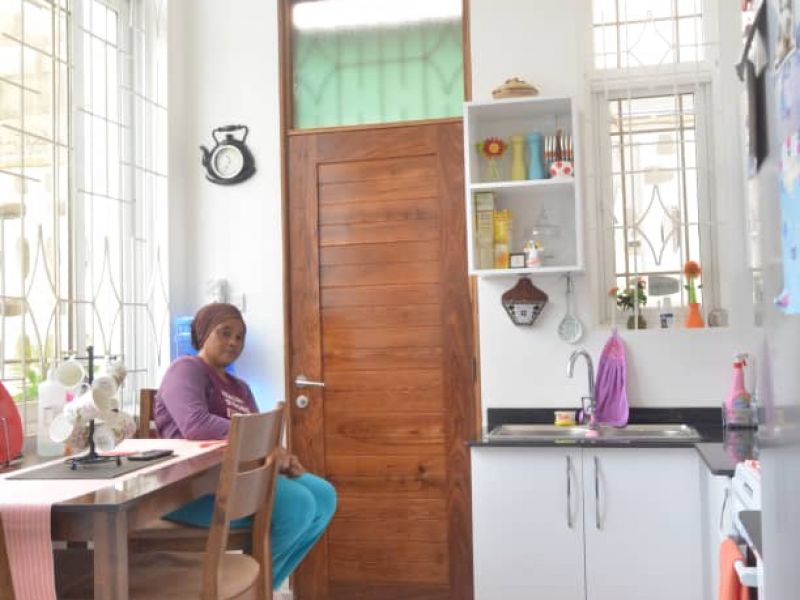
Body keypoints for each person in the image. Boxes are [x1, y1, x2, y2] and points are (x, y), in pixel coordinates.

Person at [154, 303, 336, 590]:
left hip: (241, 480)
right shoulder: (186, 369)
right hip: (190, 490)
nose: (233, 342)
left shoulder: (240, 387)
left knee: (324, 496)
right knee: (298, 506)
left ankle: (259, 589)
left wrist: (280, 454)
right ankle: (250, 592)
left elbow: (260, 436)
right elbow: (196, 424)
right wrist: (265, 443)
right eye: (225, 333)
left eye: (240, 337)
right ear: (203, 334)